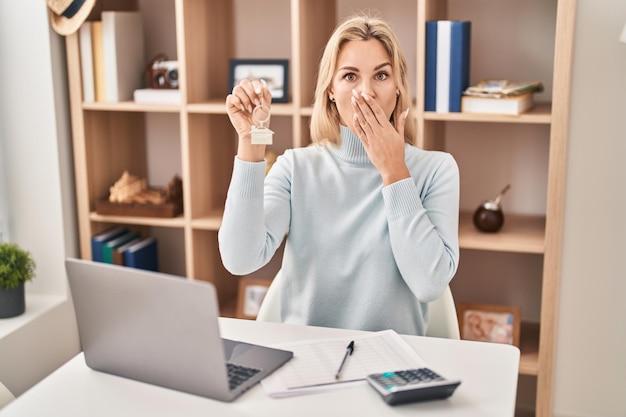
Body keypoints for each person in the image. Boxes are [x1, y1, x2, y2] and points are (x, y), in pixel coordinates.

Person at [219, 14, 459, 336]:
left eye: (381, 75)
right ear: (330, 89)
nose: (366, 92)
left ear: (398, 87)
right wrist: (250, 142)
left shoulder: (436, 170)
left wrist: (394, 171)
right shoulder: (296, 168)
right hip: (307, 360)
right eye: (349, 76)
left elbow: (429, 284)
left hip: (393, 366)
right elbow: (240, 258)